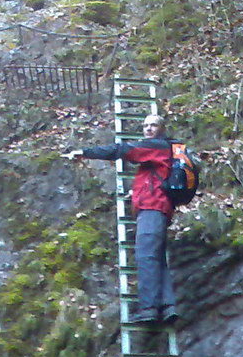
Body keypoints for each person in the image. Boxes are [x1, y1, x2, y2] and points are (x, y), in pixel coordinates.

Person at [64, 114, 179, 324]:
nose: (148, 129)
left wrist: (85, 152)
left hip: (152, 209)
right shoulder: (160, 154)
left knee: (146, 257)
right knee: (157, 257)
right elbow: (152, 181)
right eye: (145, 125)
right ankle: (167, 306)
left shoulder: (155, 146)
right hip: (159, 208)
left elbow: (122, 150)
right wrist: (134, 195)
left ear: (161, 129)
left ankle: (149, 309)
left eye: (153, 125)